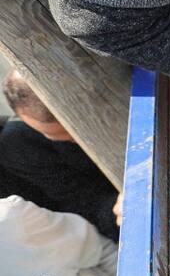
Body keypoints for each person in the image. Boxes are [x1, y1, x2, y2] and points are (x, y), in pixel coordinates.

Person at [0, 71, 119, 241]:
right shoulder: (21, 144)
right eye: (69, 138)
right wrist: (119, 209)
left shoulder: (105, 81)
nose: (80, 141)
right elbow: (85, 202)